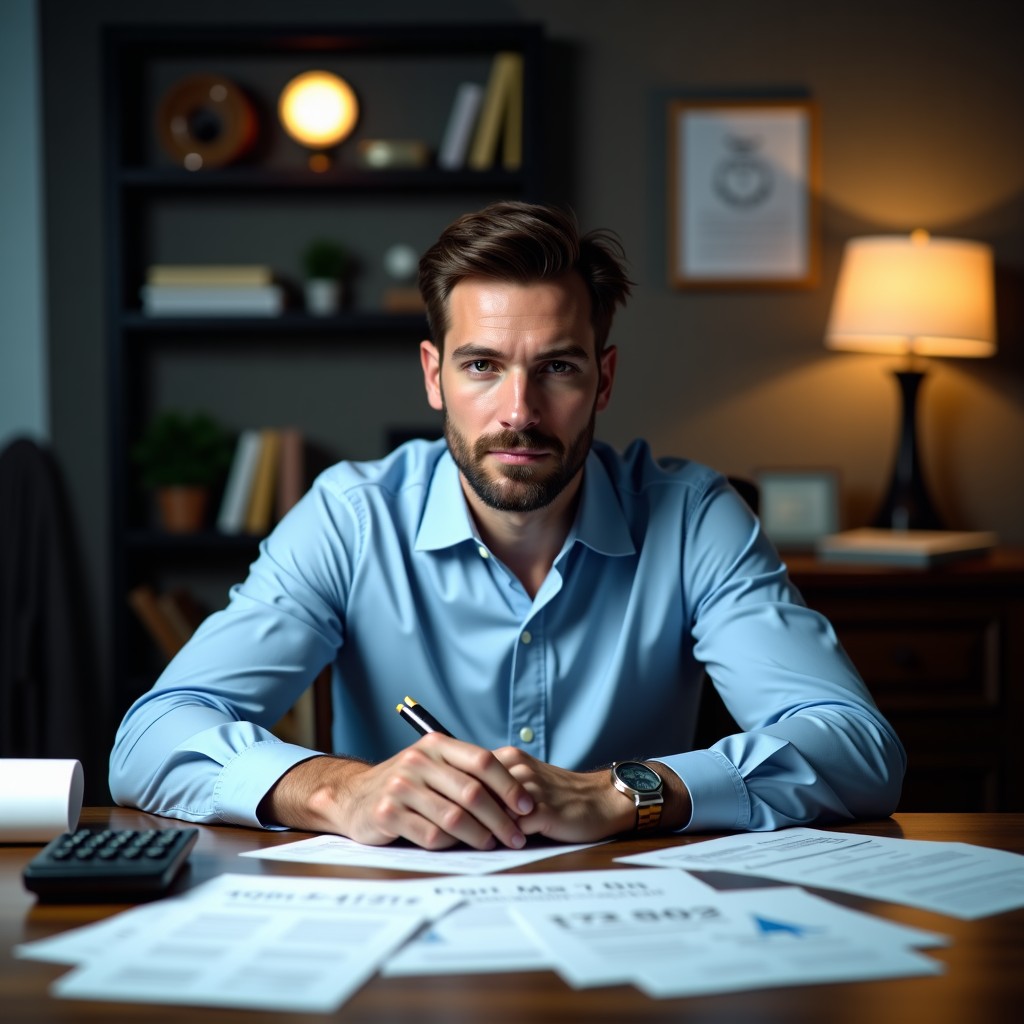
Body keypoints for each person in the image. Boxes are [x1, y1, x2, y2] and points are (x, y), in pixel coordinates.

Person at [109, 201, 904, 850]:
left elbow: (858, 749)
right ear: (435, 376)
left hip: (632, 930)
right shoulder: (351, 519)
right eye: (482, 365)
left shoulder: (693, 516)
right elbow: (150, 740)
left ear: (604, 380)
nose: (518, 413)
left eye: (557, 366)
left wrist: (620, 792)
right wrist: (342, 789)